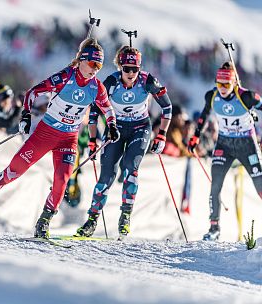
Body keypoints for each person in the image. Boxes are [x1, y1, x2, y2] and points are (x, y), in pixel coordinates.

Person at [0, 38, 120, 239]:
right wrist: (25, 115)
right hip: (46, 133)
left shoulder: (97, 87)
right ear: (82, 60)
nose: (95, 69)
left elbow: (108, 109)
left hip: (68, 139)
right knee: (13, 172)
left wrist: (112, 125)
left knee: (62, 181)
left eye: (100, 65)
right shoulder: (65, 77)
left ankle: (44, 222)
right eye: (93, 63)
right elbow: (33, 93)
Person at [75, 45, 172, 238]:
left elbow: (167, 107)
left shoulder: (147, 80)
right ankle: (92, 221)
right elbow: (94, 112)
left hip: (140, 128)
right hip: (115, 130)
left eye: (135, 69)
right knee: (106, 177)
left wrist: (162, 135)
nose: (130, 73)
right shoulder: (111, 82)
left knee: (130, 168)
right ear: (120, 66)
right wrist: (92, 140)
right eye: (126, 68)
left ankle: (125, 216)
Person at [188, 61, 262, 241]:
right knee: (215, 185)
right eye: (219, 83)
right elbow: (204, 116)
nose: (222, 88)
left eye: (226, 84)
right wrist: (196, 136)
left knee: (259, 184)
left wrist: (254, 113)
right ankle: (214, 227)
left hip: (246, 144)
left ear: (234, 83)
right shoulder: (212, 96)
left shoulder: (248, 97)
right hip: (224, 145)